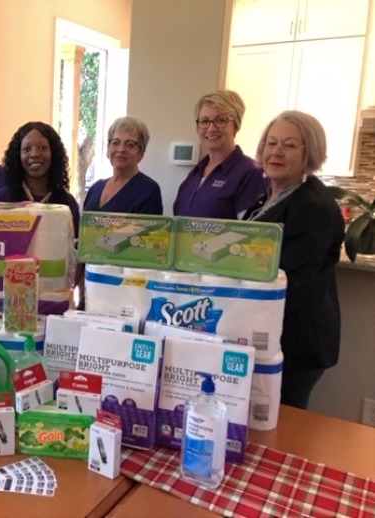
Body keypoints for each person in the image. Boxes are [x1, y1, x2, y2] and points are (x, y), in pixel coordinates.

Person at [245, 110, 344, 409]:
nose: (276, 151)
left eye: (289, 145)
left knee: (281, 421)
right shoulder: (270, 197)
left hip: (296, 342)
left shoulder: (312, 206)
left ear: (309, 153)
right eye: (271, 143)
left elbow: (291, 282)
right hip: (271, 334)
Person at [173, 90, 267, 219]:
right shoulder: (194, 174)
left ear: (236, 126)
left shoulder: (250, 173)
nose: (211, 128)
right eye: (204, 121)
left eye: (221, 120)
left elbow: (250, 233)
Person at [0, 121, 80, 236]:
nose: (34, 154)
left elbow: (76, 247)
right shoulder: (3, 199)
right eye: (27, 149)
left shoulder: (67, 202)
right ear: (18, 156)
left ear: (54, 154)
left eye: (43, 148)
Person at [83, 116, 162, 215]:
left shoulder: (148, 190)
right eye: (115, 143)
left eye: (130, 145)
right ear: (108, 149)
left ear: (140, 153)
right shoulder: (95, 188)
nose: (121, 149)